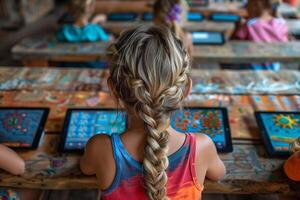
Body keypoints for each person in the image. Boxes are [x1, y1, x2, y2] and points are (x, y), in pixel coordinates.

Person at [80, 25, 225, 200]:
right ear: (186, 90)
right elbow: (218, 174)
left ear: (113, 89)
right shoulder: (202, 147)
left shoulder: (101, 148)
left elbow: (85, 167)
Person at [235, 0, 288, 70]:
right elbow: (285, 42)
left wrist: (239, 25)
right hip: (275, 64)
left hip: (253, 64)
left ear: (254, 7)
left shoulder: (250, 24)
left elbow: (237, 40)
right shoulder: (282, 23)